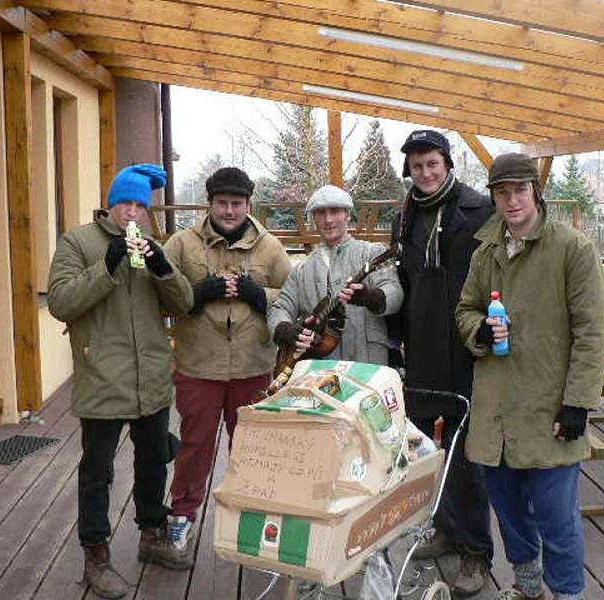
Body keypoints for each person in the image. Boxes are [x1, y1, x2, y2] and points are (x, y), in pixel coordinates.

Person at [455, 153, 604, 600]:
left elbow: (592, 331)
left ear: (535, 193)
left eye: (519, 190)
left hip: (549, 410)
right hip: (496, 412)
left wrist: (579, 401)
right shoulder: (486, 251)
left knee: (558, 520)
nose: (511, 200)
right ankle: (527, 588)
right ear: (494, 198)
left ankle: (567, 594)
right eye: (502, 193)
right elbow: (466, 309)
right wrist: (479, 330)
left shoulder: (572, 248)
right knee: (510, 514)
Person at [48, 164, 194, 599]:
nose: (131, 213)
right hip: (102, 375)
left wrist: (164, 268)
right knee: (98, 471)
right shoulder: (78, 242)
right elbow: (60, 302)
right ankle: (96, 555)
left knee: (153, 460)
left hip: (150, 375)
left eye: (139, 207)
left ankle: (150, 534)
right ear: (110, 205)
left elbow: (184, 303)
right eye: (125, 203)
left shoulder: (151, 246)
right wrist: (107, 267)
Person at [162, 166, 292, 558]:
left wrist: (258, 295)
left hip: (254, 366)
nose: (230, 211)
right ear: (210, 204)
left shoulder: (269, 247)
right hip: (198, 365)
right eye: (223, 203)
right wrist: (197, 293)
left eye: (237, 203)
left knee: (252, 448)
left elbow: (291, 296)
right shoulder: (182, 244)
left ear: (249, 204)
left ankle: (254, 520)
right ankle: (182, 516)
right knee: (195, 445)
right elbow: (162, 293)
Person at [391, 130, 494, 596]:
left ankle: (476, 550)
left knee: (468, 452)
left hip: (467, 347)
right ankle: (447, 528)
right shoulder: (407, 214)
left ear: (448, 163)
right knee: (431, 448)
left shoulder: (479, 209)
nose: (426, 173)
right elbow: (404, 279)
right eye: (417, 166)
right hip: (423, 345)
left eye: (432, 163)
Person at [268, 184, 403, 365]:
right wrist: (284, 330)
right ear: (313, 218)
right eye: (321, 213)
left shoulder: (372, 254)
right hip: (317, 369)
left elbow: (395, 291)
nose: (328, 219)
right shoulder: (302, 269)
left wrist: (371, 297)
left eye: (335, 211)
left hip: (367, 365)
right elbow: (281, 308)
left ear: (347, 215)